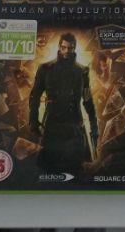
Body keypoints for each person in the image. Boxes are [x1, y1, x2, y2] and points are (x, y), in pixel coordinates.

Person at [28, 34, 98, 176]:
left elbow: (87, 100)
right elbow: (35, 96)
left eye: (70, 48)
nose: (66, 51)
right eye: (64, 47)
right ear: (59, 47)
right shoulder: (45, 68)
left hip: (74, 126)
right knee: (50, 170)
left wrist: (94, 125)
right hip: (53, 124)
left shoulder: (82, 71)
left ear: (74, 48)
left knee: (76, 171)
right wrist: (33, 121)